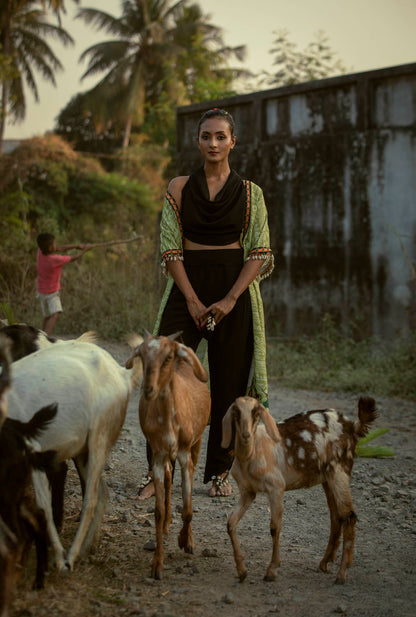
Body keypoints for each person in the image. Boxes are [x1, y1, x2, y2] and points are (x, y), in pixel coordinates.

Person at [138, 108, 274, 499]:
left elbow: (260, 251)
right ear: (197, 141)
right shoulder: (179, 187)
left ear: (233, 141)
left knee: (229, 384)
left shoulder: (251, 193)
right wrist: (193, 300)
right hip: (188, 287)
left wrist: (230, 299)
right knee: (162, 373)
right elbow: (170, 249)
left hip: (233, 291)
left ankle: (218, 472)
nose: (213, 143)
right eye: (206, 136)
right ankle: (157, 471)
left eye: (220, 136)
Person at [36, 233, 92, 335]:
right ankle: (46, 337)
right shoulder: (55, 260)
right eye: (54, 244)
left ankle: (40, 336)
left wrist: (76, 246)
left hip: (41, 291)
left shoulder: (40, 251)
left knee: (47, 316)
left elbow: (59, 248)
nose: (55, 245)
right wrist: (85, 250)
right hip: (51, 293)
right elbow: (73, 258)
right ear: (49, 248)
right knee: (55, 314)